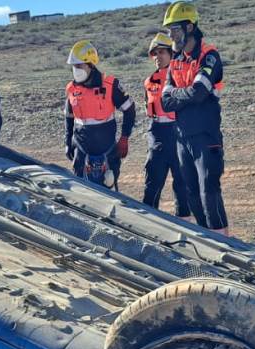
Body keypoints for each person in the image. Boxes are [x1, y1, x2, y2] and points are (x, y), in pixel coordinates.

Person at [160, 1, 228, 235]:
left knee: (209, 190)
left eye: (174, 29)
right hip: (182, 136)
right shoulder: (176, 61)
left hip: (205, 135)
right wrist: (186, 93)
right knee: (191, 192)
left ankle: (225, 243)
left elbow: (200, 93)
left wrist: (179, 94)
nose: (171, 35)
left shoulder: (209, 56)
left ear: (189, 27)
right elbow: (165, 101)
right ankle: (208, 240)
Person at [64, 40, 136, 190]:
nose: (75, 70)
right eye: (73, 66)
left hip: (107, 152)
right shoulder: (71, 89)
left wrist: (124, 137)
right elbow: (69, 117)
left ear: (90, 64)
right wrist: (67, 141)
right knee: (81, 193)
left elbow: (129, 109)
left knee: (109, 193)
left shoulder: (110, 85)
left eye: (79, 65)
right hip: (81, 151)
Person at [142, 33, 190, 218]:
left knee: (182, 183)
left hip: (179, 132)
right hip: (157, 132)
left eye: (162, 52)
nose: (157, 57)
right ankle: (148, 222)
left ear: (172, 53)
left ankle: (185, 225)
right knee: (152, 180)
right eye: (155, 53)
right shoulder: (148, 82)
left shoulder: (183, 77)